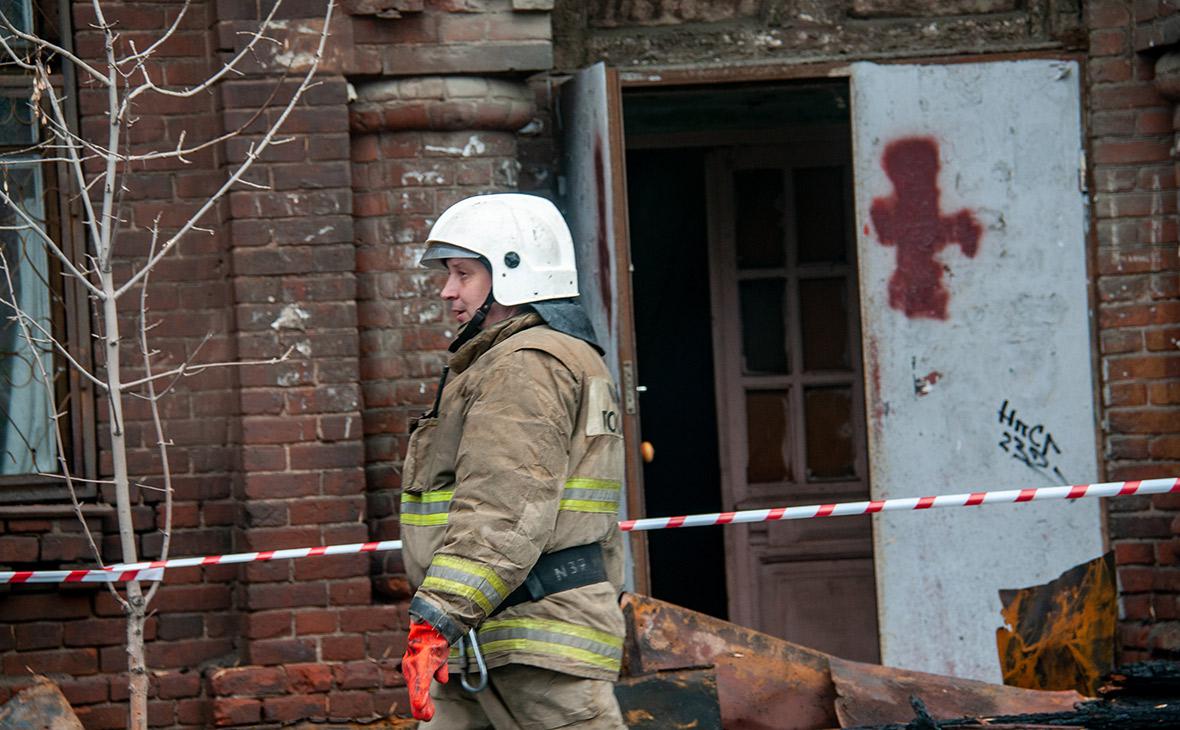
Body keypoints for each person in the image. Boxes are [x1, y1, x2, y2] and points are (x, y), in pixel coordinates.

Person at [399, 193, 627, 729]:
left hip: (531, 635)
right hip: (493, 631)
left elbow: (507, 507)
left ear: (513, 273)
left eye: (462, 274)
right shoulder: (539, 356)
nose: (447, 290)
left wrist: (437, 618)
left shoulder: (525, 365)